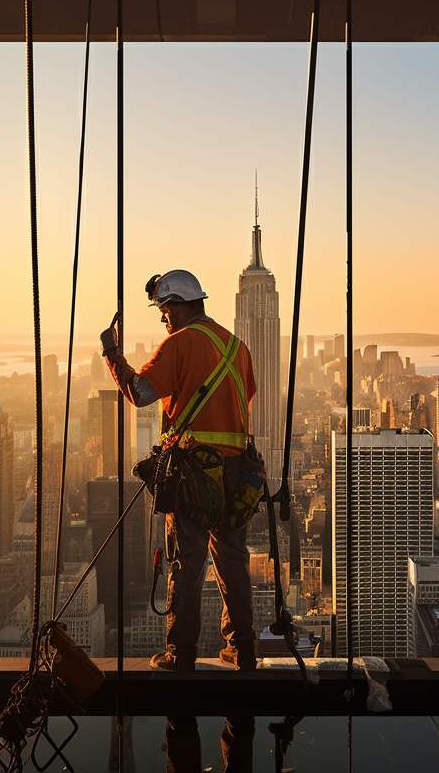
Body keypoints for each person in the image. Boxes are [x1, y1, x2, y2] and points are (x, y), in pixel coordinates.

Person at [99, 269, 259, 671]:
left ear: (181, 305)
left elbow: (140, 392)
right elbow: (246, 398)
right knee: (233, 560)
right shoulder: (237, 347)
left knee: (187, 561)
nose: (163, 318)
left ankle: (180, 652)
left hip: (194, 471)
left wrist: (113, 355)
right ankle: (242, 649)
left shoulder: (180, 343)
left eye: (165, 309)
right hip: (239, 470)